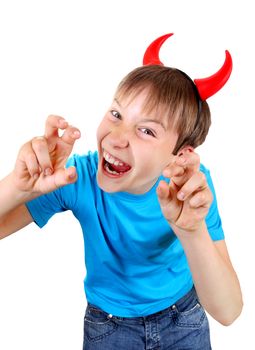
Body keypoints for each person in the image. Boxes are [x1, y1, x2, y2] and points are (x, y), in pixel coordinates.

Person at [0, 34, 242, 350]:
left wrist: (192, 230)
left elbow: (228, 311)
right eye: (117, 114)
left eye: (147, 130)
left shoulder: (190, 188)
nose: (116, 138)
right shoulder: (76, 176)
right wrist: (16, 185)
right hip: (108, 329)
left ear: (180, 155)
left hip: (183, 320)